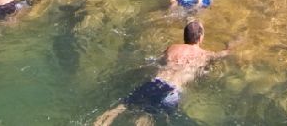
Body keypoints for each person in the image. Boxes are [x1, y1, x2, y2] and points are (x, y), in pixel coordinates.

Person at [94, 20, 232, 126]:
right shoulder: (205, 55)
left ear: (185, 36)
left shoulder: (172, 48)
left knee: (121, 107)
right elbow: (226, 54)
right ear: (200, 38)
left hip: (156, 83)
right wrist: (233, 43)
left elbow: (157, 62)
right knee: (147, 117)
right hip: (172, 91)